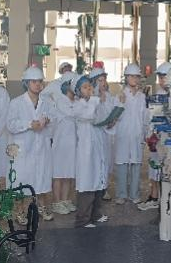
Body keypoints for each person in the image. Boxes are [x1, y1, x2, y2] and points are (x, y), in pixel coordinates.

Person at [6, 66, 54, 223]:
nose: (38, 84)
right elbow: (10, 124)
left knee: (42, 178)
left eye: (40, 81)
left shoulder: (47, 102)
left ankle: (41, 207)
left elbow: (54, 121)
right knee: (22, 179)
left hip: (41, 146)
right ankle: (20, 211)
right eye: (34, 81)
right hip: (23, 147)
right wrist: (28, 124)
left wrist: (48, 121)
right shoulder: (16, 102)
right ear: (26, 83)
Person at [72, 74, 110, 228]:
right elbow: (88, 115)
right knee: (87, 184)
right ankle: (82, 219)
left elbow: (101, 119)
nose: (89, 89)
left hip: (98, 148)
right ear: (78, 91)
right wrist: (96, 100)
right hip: (86, 151)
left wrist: (110, 121)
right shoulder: (77, 106)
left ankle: (95, 214)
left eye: (89, 86)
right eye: (85, 87)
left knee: (99, 183)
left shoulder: (95, 103)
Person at [138, 61, 171, 211]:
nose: (161, 81)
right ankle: (154, 197)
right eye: (160, 77)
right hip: (157, 138)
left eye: (164, 77)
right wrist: (149, 134)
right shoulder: (158, 95)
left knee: (170, 170)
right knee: (154, 168)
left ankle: (167, 199)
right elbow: (150, 117)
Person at [113, 63, 149, 205]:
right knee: (122, 164)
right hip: (123, 134)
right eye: (131, 76)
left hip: (137, 135)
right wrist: (121, 103)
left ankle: (134, 194)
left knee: (136, 164)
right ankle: (121, 194)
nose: (134, 79)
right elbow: (115, 116)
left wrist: (145, 133)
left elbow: (144, 117)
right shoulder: (120, 95)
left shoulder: (141, 97)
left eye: (136, 76)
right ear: (126, 78)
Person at [49, 71, 77, 215]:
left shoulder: (76, 102)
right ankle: (56, 202)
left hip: (72, 143)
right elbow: (74, 114)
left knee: (69, 173)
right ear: (67, 86)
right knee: (59, 173)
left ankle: (65, 200)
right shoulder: (61, 101)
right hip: (61, 143)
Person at [89, 66, 119, 200]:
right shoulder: (90, 97)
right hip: (94, 134)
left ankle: (104, 187)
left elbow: (112, 110)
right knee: (95, 161)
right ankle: (94, 188)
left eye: (104, 80)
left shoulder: (108, 96)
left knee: (106, 161)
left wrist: (113, 120)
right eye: (100, 81)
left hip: (106, 134)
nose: (103, 83)